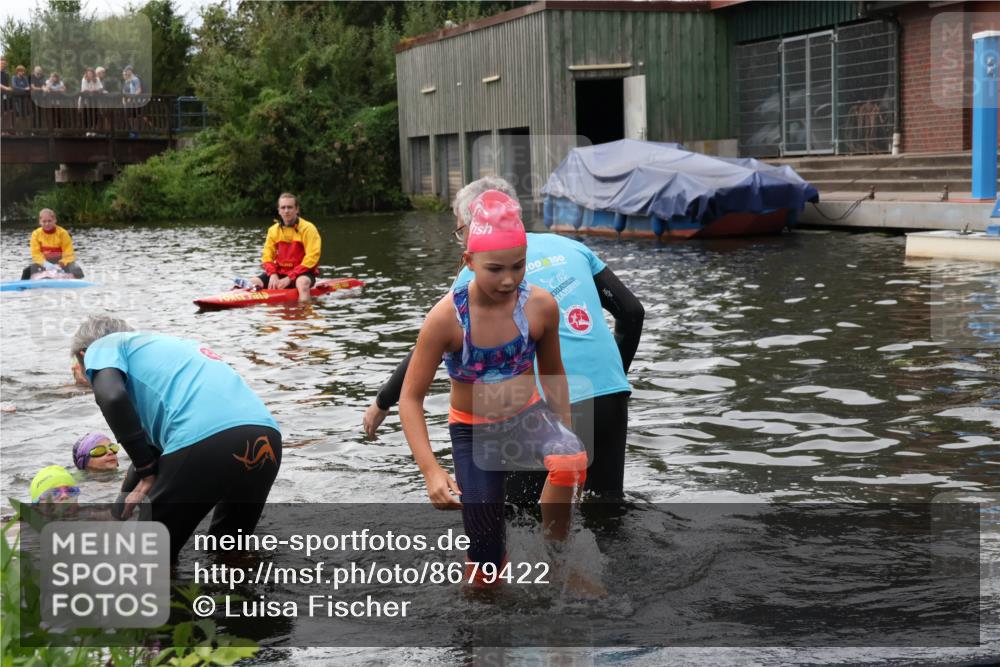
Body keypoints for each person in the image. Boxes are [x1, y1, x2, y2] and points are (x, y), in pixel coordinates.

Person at [365, 177, 644, 502]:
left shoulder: (478, 277)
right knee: (606, 515)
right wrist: (608, 378)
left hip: (533, 410)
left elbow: (429, 348)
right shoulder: (570, 245)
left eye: (460, 230)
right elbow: (632, 312)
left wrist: (383, 400)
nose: (462, 241)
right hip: (610, 395)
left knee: (517, 522)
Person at [399, 190, 588, 586]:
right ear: (469, 262)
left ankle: (557, 556)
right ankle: (482, 612)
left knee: (571, 459)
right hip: (473, 431)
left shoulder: (539, 306)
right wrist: (431, 470)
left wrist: (565, 429)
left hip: (528, 415)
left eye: (518, 267)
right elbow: (410, 399)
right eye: (494, 269)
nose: (508, 280)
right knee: (486, 564)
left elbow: (554, 375)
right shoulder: (446, 319)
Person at [70, 315, 283, 562]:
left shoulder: (103, 346)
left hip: (207, 439)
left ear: (84, 354)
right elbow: (151, 448)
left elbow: (112, 397)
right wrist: (119, 510)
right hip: (266, 435)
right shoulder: (166, 351)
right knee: (229, 550)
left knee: (147, 555)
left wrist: (147, 470)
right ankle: (242, 599)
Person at [248, 192, 321, 302]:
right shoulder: (273, 230)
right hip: (279, 273)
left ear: (297, 209)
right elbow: (267, 256)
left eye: (290, 207)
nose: (286, 211)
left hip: (302, 273)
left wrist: (290, 277)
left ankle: (304, 314)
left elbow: (312, 258)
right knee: (252, 282)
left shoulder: (308, 229)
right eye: (283, 207)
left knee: (302, 283)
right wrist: (272, 274)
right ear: (279, 210)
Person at [21, 208, 85, 279]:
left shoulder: (63, 233)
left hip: (62, 263)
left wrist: (61, 264)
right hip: (44, 263)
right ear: (40, 222)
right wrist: (45, 264)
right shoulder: (35, 234)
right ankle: (22, 287)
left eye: (49, 221)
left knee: (77, 270)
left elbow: (69, 254)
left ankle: (80, 286)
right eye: (44, 221)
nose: (47, 224)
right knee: (26, 271)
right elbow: (35, 254)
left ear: (55, 220)